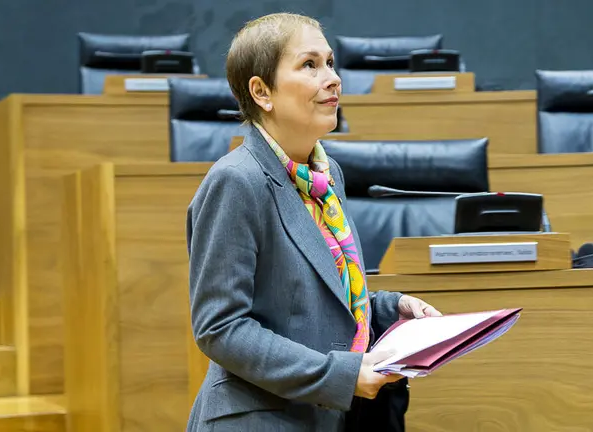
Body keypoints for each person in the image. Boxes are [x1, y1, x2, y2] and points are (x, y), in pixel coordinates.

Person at [185, 12, 442, 431]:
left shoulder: (326, 175)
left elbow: (311, 299)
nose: (333, 78)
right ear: (261, 92)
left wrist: (388, 308)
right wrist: (337, 376)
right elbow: (221, 328)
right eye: (310, 65)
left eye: (331, 62)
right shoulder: (237, 181)